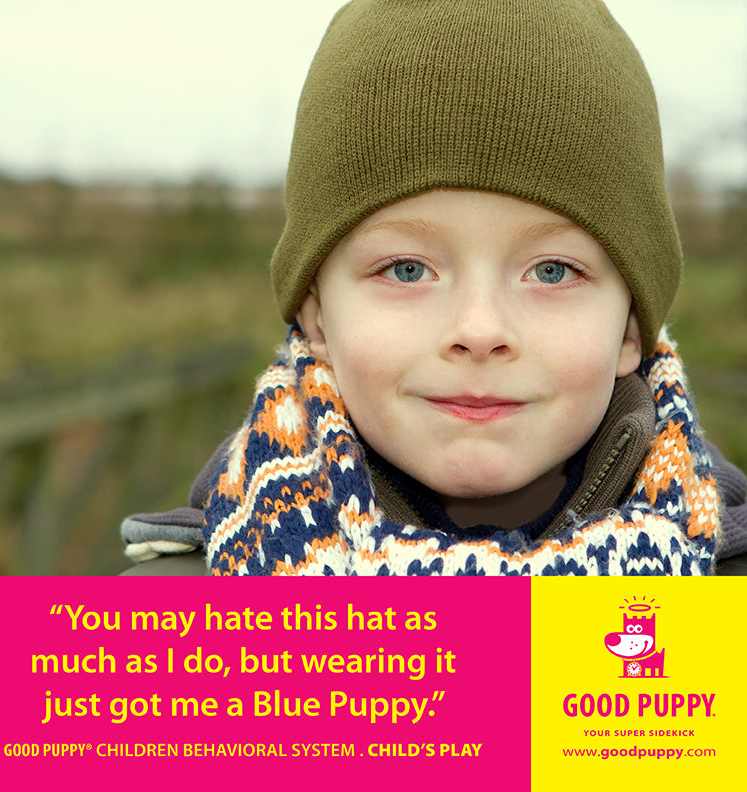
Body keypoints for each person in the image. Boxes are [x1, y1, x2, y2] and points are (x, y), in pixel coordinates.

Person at [121, 0, 747, 576]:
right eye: (406, 269)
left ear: (630, 328)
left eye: (552, 271)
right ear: (316, 315)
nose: (479, 330)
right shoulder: (160, 632)